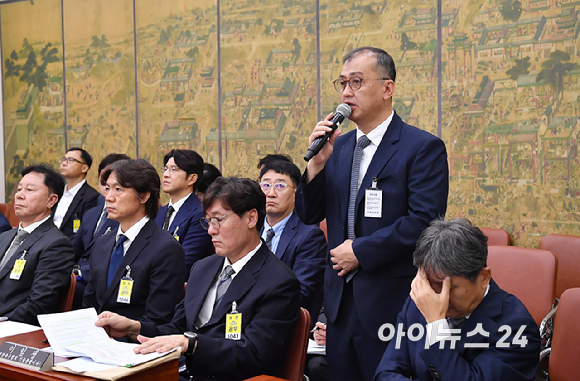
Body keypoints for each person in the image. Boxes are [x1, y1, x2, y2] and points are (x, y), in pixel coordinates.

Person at [295, 46, 449, 381]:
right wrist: (315, 166)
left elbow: (424, 222)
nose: (346, 92)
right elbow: (308, 215)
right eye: (342, 83)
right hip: (338, 301)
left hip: (390, 301)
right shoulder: (339, 147)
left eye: (357, 82)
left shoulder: (421, 148)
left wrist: (360, 252)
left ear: (387, 88)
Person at [95, 177, 301, 380]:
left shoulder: (279, 282)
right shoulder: (204, 267)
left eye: (219, 220)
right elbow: (177, 328)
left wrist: (191, 344)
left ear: (251, 218)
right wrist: (133, 328)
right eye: (208, 221)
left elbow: (254, 354)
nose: (211, 230)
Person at [374, 218, 541, 381]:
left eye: (448, 287)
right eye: (430, 285)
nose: (438, 297)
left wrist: (436, 325)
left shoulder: (517, 328)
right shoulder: (422, 299)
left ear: (483, 277)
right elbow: (386, 372)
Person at [83, 159, 185, 325]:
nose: (108, 197)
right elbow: (90, 304)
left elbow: (158, 320)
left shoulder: (166, 249)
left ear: (144, 196)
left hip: (136, 344)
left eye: (118, 190)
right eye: (107, 189)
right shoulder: (102, 243)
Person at [0, 164, 74, 325]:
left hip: (15, 328)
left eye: (29, 190)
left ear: (51, 200)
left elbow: (39, 305)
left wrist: (5, 322)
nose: (19, 195)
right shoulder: (4, 237)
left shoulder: (56, 244)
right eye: (19, 189)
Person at [259, 159, 326, 319]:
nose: (271, 193)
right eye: (266, 185)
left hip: (283, 320)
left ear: (296, 193)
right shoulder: (249, 229)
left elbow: (301, 293)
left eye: (280, 186)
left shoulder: (309, 236)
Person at [71, 153, 130, 309]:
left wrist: (81, 273)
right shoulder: (92, 213)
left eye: (117, 187)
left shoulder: (124, 217)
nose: (107, 190)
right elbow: (74, 247)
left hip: (98, 279)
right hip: (78, 276)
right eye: (105, 182)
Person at [155, 149, 213, 272]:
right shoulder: (159, 212)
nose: (165, 175)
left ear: (192, 178)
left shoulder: (200, 215)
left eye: (174, 170)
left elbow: (184, 261)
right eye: (165, 169)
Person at [53, 148, 100, 239]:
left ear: (84, 168)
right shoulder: (57, 192)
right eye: (63, 159)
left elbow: (84, 233)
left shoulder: (91, 197)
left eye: (70, 160)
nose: (64, 163)